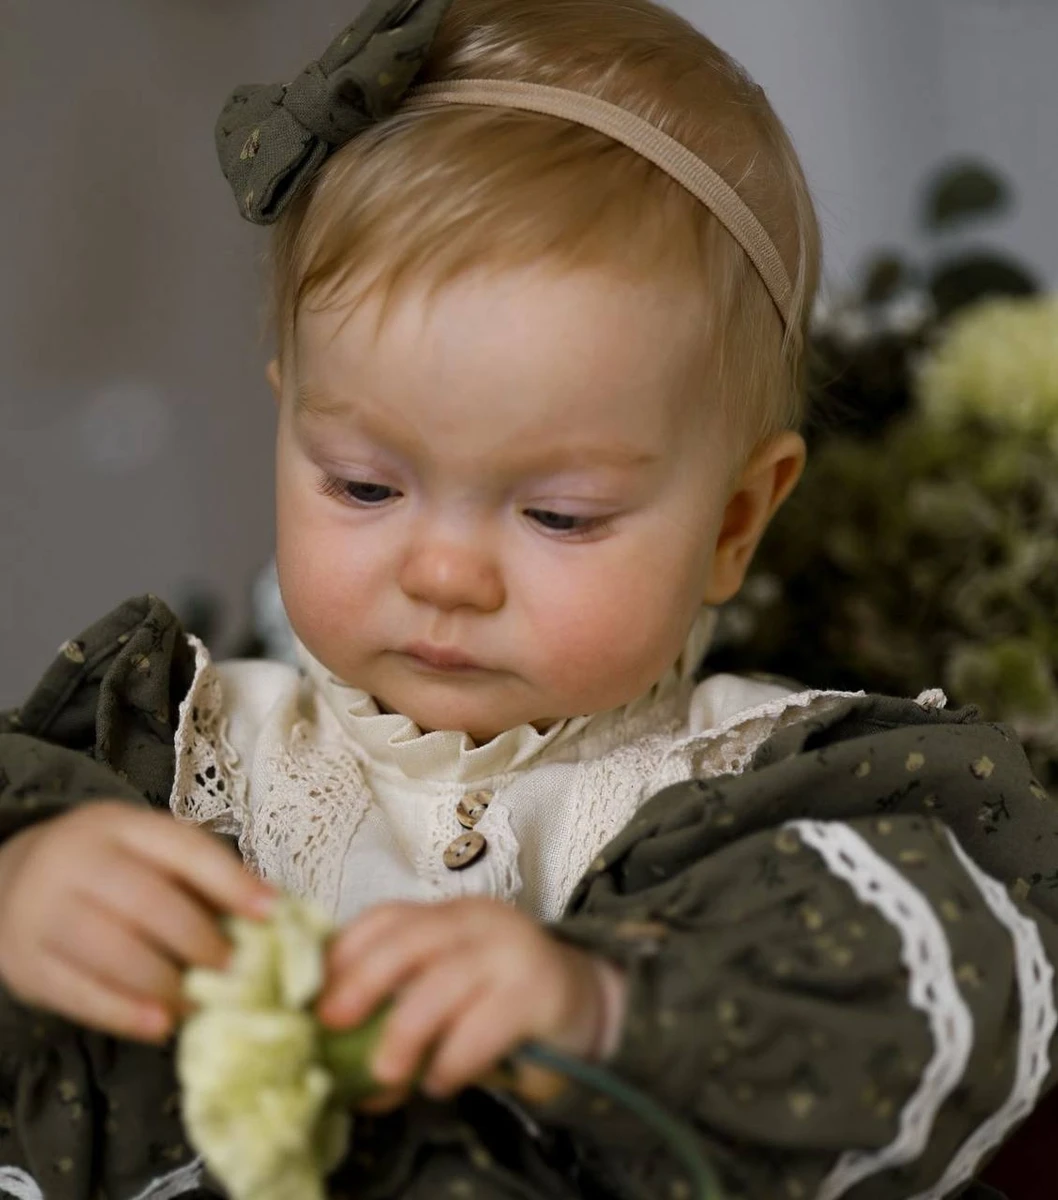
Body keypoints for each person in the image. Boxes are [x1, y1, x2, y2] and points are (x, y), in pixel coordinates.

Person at [0, 2, 1054, 1198]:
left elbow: (954, 1005)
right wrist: (23, 884)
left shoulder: (768, 803)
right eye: (362, 484)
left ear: (731, 522)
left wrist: (599, 1003)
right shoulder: (171, 754)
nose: (443, 573)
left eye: (556, 515)